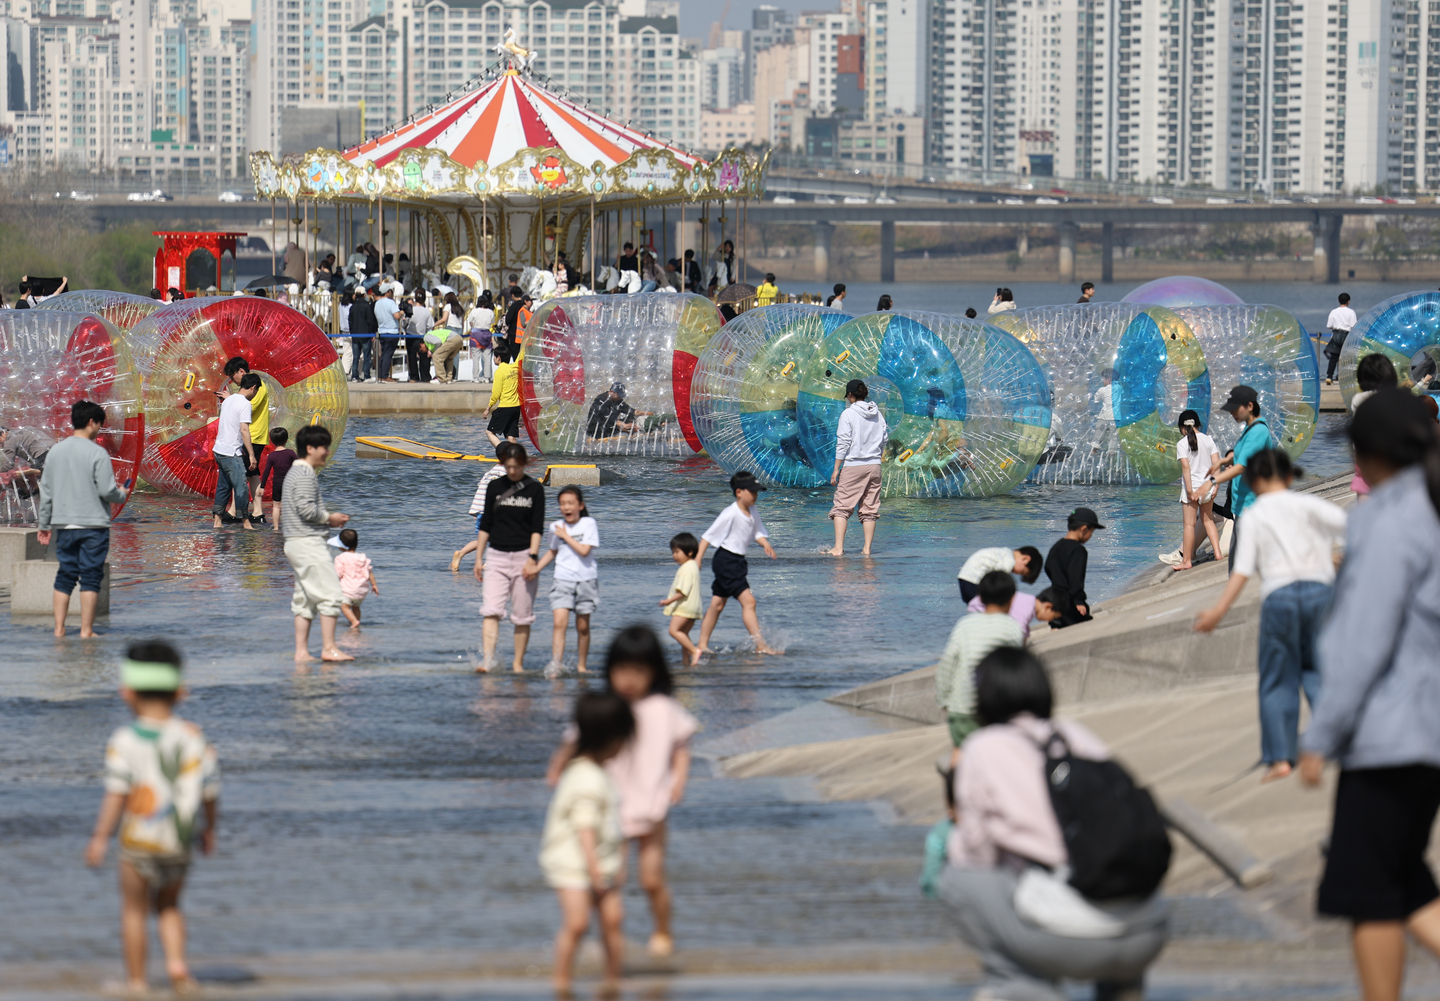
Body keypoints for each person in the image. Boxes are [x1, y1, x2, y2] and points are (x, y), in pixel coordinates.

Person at [1296, 389, 1440, 1001]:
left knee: (1369, 892)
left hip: (1389, 736)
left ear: (1374, 452)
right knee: (1402, 882)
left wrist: (1320, 736)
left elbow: (1362, 639)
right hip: (1425, 735)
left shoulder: (1387, 520)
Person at [940, 647, 1169, 1001]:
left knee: (955, 876)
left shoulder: (983, 748)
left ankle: (1019, 986)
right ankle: (1123, 988)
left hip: (1070, 941)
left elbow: (976, 853)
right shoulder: (1075, 735)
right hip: (1148, 932)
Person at [1194, 448, 1344, 781]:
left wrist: (1218, 612)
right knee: (1320, 671)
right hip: (1321, 594)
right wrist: (1336, 562)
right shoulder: (1310, 505)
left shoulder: (1254, 517)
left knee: (1279, 678)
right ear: (1290, 477)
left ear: (1253, 482)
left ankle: (1280, 759)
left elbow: (1242, 572)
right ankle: (1332, 742)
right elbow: (1354, 531)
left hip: (1280, 597)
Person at [85, 640, 220, 997]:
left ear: (126, 693)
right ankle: (178, 969)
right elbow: (209, 793)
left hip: (137, 842)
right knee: (170, 906)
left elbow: (117, 795)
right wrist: (210, 830)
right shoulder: (194, 737)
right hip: (179, 839)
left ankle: (137, 982)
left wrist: (100, 838)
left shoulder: (125, 739)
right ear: (181, 691)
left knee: (134, 911)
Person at [541, 691, 634, 996]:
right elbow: (585, 829)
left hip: (601, 862)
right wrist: (595, 871)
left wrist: (617, 862)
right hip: (573, 864)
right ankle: (562, 980)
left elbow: (612, 826)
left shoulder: (599, 773)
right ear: (609, 739)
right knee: (578, 923)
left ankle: (612, 979)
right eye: (623, 739)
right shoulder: (586, 777)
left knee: (613, 920)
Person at [35, 400, 130, 638]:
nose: (99, 428)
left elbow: (46, 491)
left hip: (64, 524)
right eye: (99, 423)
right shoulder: (97, 453)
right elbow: (107, 492)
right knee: (90, 576)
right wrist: (122, 494)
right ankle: (86, 630)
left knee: (65, 574)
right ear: (91, 422)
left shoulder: (56, 451)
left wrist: (44, 525)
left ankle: (59, 629)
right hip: (93, 525)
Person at [281, 424, 353, 663]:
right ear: (310, 448)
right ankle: (329, 648)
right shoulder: (303, 473)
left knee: (304, 599)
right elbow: (305, 509)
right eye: (324, 447)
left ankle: (301, 653)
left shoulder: (295, 471)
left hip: (295, 542)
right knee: (331, 595)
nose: (327, 452)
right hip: (307, 542)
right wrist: (329, 518)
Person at [473, 440, 545, 673]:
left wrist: (533, 558)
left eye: (517, 466)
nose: (512, 471)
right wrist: (478, 557)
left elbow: (537, 528)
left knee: (522, 616)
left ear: (524, 464)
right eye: (508, 466)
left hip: (524, 557)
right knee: (491, 610)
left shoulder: (534, 489)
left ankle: (517, 664)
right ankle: (488, 661)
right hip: (497, 556)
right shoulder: (495, 487)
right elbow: (486, 524)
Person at [936, 571, 1026, 749]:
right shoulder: (1012, 628)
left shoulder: (964, 624)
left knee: (961, 752)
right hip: (995, 709)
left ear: (980, 598)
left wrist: (943, 698)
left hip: (961, 706)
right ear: (1012, 599)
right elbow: (1017, 670)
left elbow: (947, 663)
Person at [695, 471, 779, 659]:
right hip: (726, 561)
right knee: (749, 602)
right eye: (753, 492)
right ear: (739, 492)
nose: (756, 496)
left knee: (717, 604)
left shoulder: (753, 510)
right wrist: (698, 559)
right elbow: (707, 537)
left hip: (737, 561)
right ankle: (760, 645)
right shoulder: (730, 512)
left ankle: (701, 645)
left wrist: (766, 544)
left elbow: (757, 532)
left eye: (757, 492)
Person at [533, 485, 600, 676]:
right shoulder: (555, 527)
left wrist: (565, 536)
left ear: (580, 505)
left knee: (582, 626)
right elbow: (552, 552)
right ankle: (556, 665)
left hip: (586, 580)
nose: (566, 507)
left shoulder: (589, 524)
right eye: (562, 504)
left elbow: (584, 550)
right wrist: (535, 569)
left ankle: (581, 666)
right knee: (559, 623)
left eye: (570, 503)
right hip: (562, 580)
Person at [1208, 385, 1273, 570]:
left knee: (1240, 567)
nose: (1232, 413)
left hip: (1252, 507)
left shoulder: (1258, 432)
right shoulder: (1250, 429)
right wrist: (1223, 460)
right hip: (1242, 507)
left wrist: (1211, 482)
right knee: (1237, 565)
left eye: (1236, 408)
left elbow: (1242, 467)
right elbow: (1241, 455)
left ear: (1250, 406)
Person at [827, 379, 887, 556]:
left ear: (851, 395)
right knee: (870, 509)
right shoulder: (878, 414)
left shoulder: (848, 414)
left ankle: (838, 548)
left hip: (854, 465)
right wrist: (876, 455)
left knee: (842, 507)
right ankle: (867, 549)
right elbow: (884, 439)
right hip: (874, 466)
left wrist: (836, 468)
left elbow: (843, 442)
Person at [221, 357, 271, 522]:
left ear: (241, 372)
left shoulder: (258, 386)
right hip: (250, 435)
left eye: (232, 375)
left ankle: (236, 512)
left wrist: (229, 399)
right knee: (251, 474)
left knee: (242, 473)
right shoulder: (251, 386)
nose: (231, 380)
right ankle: (257, 512)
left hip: (253, 436)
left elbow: (248, 405)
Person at [1175, 409, 1223, 570]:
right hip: (1208, 486)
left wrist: (1189, 490)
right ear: (1198, 424)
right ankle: (1217, 553)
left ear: (1182, 427)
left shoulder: (1182, 444)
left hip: (1192, 488)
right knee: (1207, 520)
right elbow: (1216, 463)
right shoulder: (1208, 440)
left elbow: (1185, 467)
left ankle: (1187, 560)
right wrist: (1216, 485)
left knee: (1189, 525)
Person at [212, 373, 259, 531]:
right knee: (241, 487)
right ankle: (245, 522)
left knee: (224, 486)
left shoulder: (229, 400)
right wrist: (251, 454)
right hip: (231, 452)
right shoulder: (245, 404)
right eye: (256, 391)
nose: (255, 394)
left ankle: (217, 521)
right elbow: (244, 430)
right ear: (253, 387)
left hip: (219, 449)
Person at [1045, 508, 1103, 627]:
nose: (1090, 536)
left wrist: (1058, 581)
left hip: (1054, 601)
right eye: (1091, 532)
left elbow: (1048, 567)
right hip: (1070, 604)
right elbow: (1076, 577)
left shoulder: (1056, 547)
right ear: (1084, 529)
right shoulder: (1078, 550)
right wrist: (1078, 601)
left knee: (1057, 627)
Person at [452, 450, 508, 572]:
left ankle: (461, 553)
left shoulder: (489, 473)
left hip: (481, 510)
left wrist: (476, 511)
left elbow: (481, 489)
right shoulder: (506, 473)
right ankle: (489, 563)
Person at [660, 532, 703, 666]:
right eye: (673, 552)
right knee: (684, 633)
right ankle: (686, 661)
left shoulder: (686, 568)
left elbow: (683, 591)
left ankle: (694, 650)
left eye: (677, 552)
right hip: (694, 607)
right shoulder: (693, 565)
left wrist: (669, 601)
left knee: (673, 631)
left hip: (685, 607)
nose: (674, 556)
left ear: (690, 552)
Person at [968, 585, 1064, 641]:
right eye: (1053, 617)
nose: (1050, 620)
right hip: (981, 610)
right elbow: (1018, 630)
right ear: (1048, 607)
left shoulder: (1028, 601)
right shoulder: (1028, 606)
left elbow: (1024, 631)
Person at [956, 545, 1043, 603]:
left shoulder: (1003, 553)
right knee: (984, 609)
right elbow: (1000, 579)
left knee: (974, 608)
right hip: (975, 581)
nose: (1016, 573)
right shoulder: (1010, 560)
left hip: (964, 578)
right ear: (1025, 559)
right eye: (1022, 572)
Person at [334, 527, 379, 628]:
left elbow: (338, 574)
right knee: (356, 607)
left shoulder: (340, 558)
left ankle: (354, 621)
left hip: (348, 590)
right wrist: (374, 585)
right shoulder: (362, 557)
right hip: (361, 590)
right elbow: (369, 572)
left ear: (341, 546)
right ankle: (356, 621)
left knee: (344, 606)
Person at [258, 427, 296, 532]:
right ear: (286, 440)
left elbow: (266, 471)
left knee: (276, 506)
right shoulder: (291, 453)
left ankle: (276, 527)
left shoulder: (272, 455)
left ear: (272, 442)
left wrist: (262, 486)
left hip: (277, 483)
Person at [483, 344, 523, 445]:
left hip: (505, 407)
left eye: (494, 357)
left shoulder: (499, 372)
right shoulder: (515, 368)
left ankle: (503, 453)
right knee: (511, 436)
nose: (494, 359)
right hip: (516, 407)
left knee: (490, 432)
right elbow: (521, 354)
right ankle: (516, 456)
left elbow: (496, 394)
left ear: (498, 358)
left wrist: (488, 408)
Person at [586, 382, 653, 438]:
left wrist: (647, 413)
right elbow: (608, 418)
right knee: (624, 425)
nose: (620, 398)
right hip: (597, 429)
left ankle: (639, 429)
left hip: (610, 425)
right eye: (619, 395)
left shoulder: (617, 400)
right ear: (612, 392)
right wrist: (624, 426)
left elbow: (632, 411)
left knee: (631, 418)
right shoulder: (601, 400)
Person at [1323, 292, 1357, 384]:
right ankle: (1344, 376)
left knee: (1333, 358)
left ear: (1338, 301)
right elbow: (1353, 326)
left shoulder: (1334, 312)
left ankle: (1329, 376)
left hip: (1336, 336)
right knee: (1346, 358)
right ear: (1348, 301)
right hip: (1347, 336)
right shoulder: (1351, 312)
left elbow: (1329, 325)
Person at [432, 292, 466, 383]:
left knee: (447, 353)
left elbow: (444, 319)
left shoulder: (448, 306)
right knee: (455, 354)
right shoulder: (460, 308)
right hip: (459, 331)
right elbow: (462, 323)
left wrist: (434, 325)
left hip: (450, 329)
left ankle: (447, 375)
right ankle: (455, 376)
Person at [374, 287, 404, 382]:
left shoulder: (377, 303)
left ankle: (380, 375)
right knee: (388, 354)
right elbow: (396, 315)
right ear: (387, 292)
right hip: (392, 332)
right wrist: (402, 312)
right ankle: (385, 375)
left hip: (382, 331)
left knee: (383, 354)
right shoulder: (391, 302)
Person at [347, 285, 377, 381]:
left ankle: (354, 376)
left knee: (356, 356)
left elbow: (350, 321)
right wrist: (372, 333)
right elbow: (370, 321)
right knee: (366, 356)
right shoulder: (366, 306)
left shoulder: (352, 307)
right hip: (365, 334)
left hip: (355, 334)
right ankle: (366, 375)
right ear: (364, 295)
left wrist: (352, 332)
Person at [467, 290, 497, 382]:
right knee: (487, 357)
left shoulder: (474, 311)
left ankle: (476, 377)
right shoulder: (490, 312)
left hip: (476, 335)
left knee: (476, 357)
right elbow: (492, 322)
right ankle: (487, 377)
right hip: (487, 335)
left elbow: (470, 321)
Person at [405, 293, 434, 384]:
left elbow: (404, 323)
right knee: (424, 357)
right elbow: (430, 326)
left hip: (410, 335)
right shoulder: (427, 312)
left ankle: (413, 377)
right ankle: (425, 376)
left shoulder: (410, 310)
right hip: (422, 336)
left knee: (411, 356)